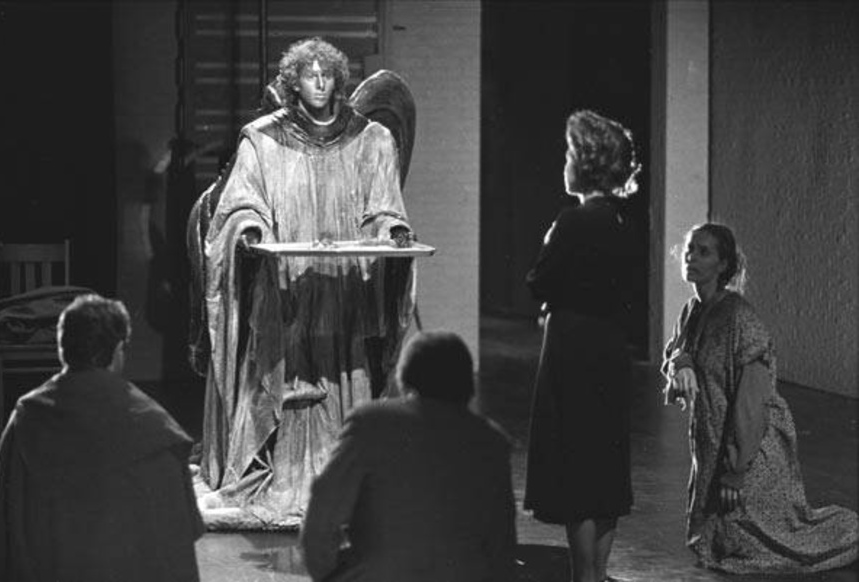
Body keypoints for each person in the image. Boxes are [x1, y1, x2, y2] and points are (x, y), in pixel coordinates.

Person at [187, 36, 417, 529]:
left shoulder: (370, 139)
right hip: (286, 286)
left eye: (326, 74)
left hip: (343, 287)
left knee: (345, 370)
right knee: (284, 369)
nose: (318, 82)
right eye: (309, 74)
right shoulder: (263, 139)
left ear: (338, 79)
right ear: (293, 81)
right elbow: (241, 203)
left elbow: (383, 207)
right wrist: (250, 229)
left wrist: (393, 230)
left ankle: (344, 471)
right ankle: (284, 468)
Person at [662, 223, 858, 574]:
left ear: (723, 264)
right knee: (715, 544)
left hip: (751, 448)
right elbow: (677, 350)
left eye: (703, 252)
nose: (691, 257)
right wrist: (682, 364)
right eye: (690, 249)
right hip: (713, 444)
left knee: (778, 545)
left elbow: (752, 402)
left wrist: (735, 471)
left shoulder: (740, 318)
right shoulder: (693, 310)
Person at [0, 294, 203, 582]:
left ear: (62, 349)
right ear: (118, 350)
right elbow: (176, 542)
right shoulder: (155, 430)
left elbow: (7, 531)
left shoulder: (26, 420)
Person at [523, 110, 640, 582]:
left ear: (586, 163)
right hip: (610, 345)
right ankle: (597, 572)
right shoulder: (623, 221)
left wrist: (551, 241)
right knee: (603, 465)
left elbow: (539, 281)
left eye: (570, 154)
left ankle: (583, 575)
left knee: (575, 463)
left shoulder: (572, 221)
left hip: (572, 346)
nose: (565, 163)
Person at [299, 330, 517, 581]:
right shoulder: (493, 442)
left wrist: (328, 576)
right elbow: (502, 548)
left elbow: (322, 518)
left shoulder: (370, 422)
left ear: (406, 375)